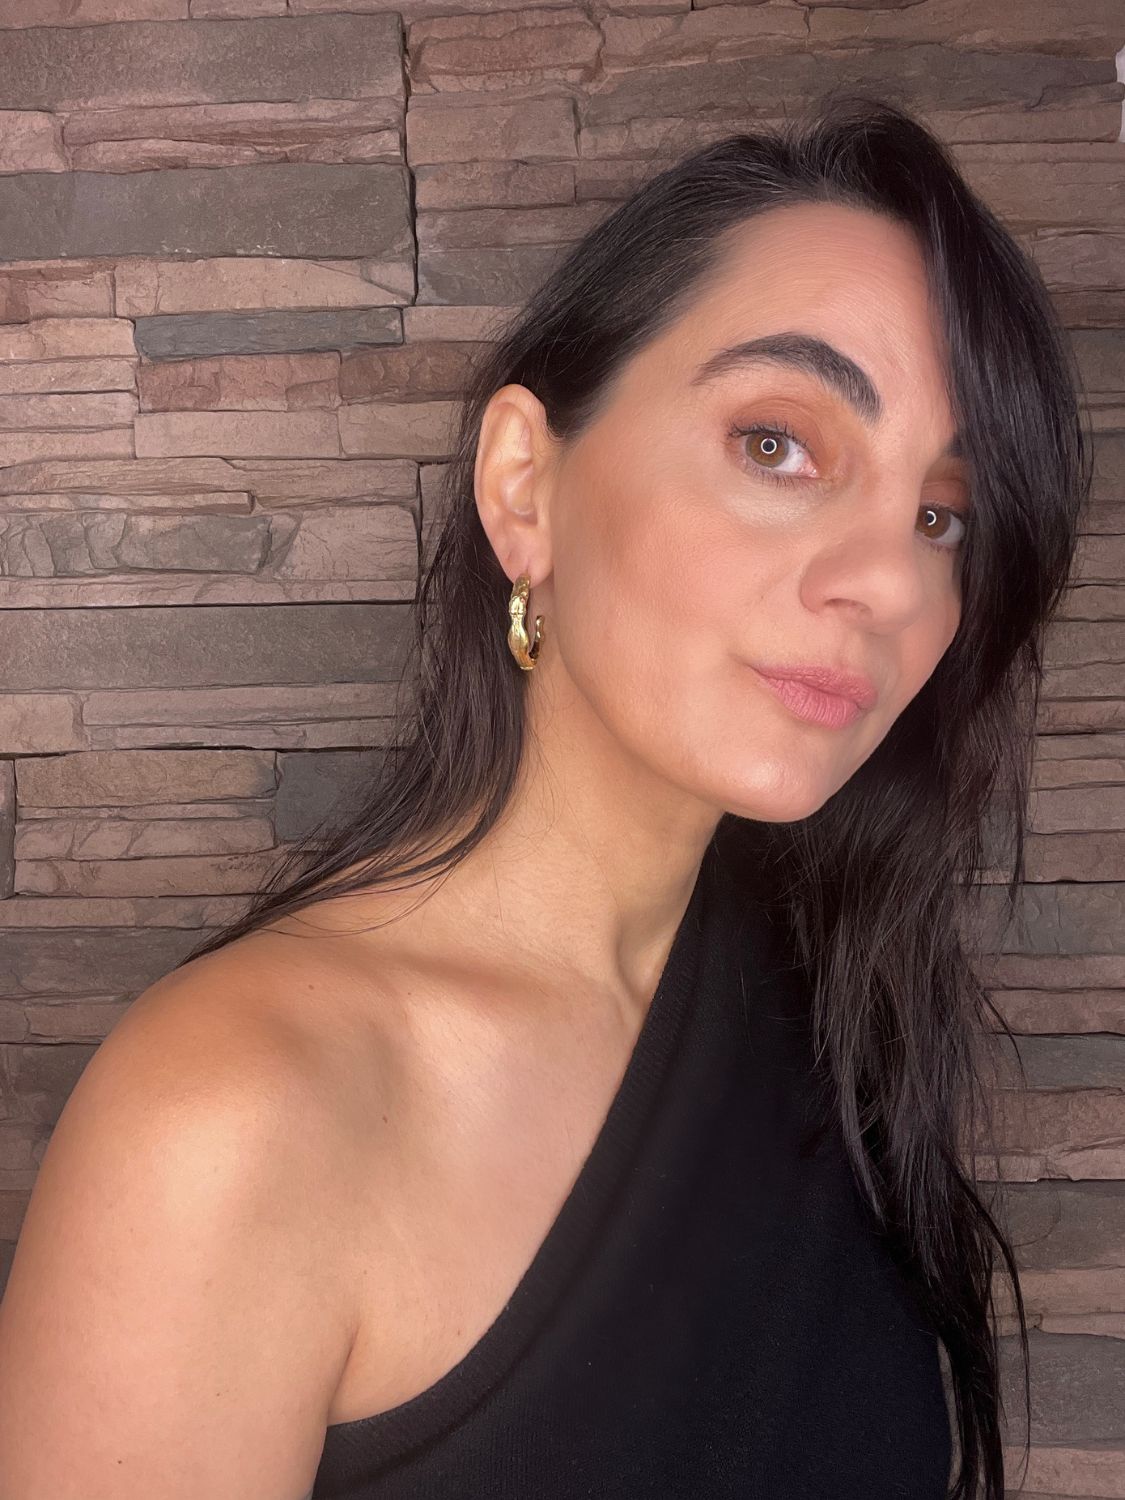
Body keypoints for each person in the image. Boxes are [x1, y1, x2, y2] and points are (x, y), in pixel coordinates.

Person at [0, 93, 1088, 1500]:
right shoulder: (230, 1118)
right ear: (525, 486)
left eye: (941, 516)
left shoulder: (819, 1000)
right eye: (777, 443)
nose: (885, 578)